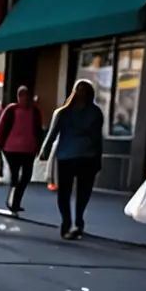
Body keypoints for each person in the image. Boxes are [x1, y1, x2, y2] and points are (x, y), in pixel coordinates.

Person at [40, 79, 104, 239]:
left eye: (84, 91)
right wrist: (44, 151)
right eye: (80, 90)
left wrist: (44, 152)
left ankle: (73, 222)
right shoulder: (69, 112)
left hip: (77, 157)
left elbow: (98, 138)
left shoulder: (85, 112)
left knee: (74, 193)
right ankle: (72, 222)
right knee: (73, 193)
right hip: (77, 156)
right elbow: (52, 133)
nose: (81, 94)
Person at [0, 86, 44, 213]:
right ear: (18, 97)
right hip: (11, 149)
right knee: (15, 175)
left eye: (27, 95)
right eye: (22, 95)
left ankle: (15, 201)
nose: (25, 98)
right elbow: (2, 126)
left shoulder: (35, 111)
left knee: (26, 176)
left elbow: (39, 130)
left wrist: (40, 147)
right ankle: (13, 202)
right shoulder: (11, 109)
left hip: (29, 149)